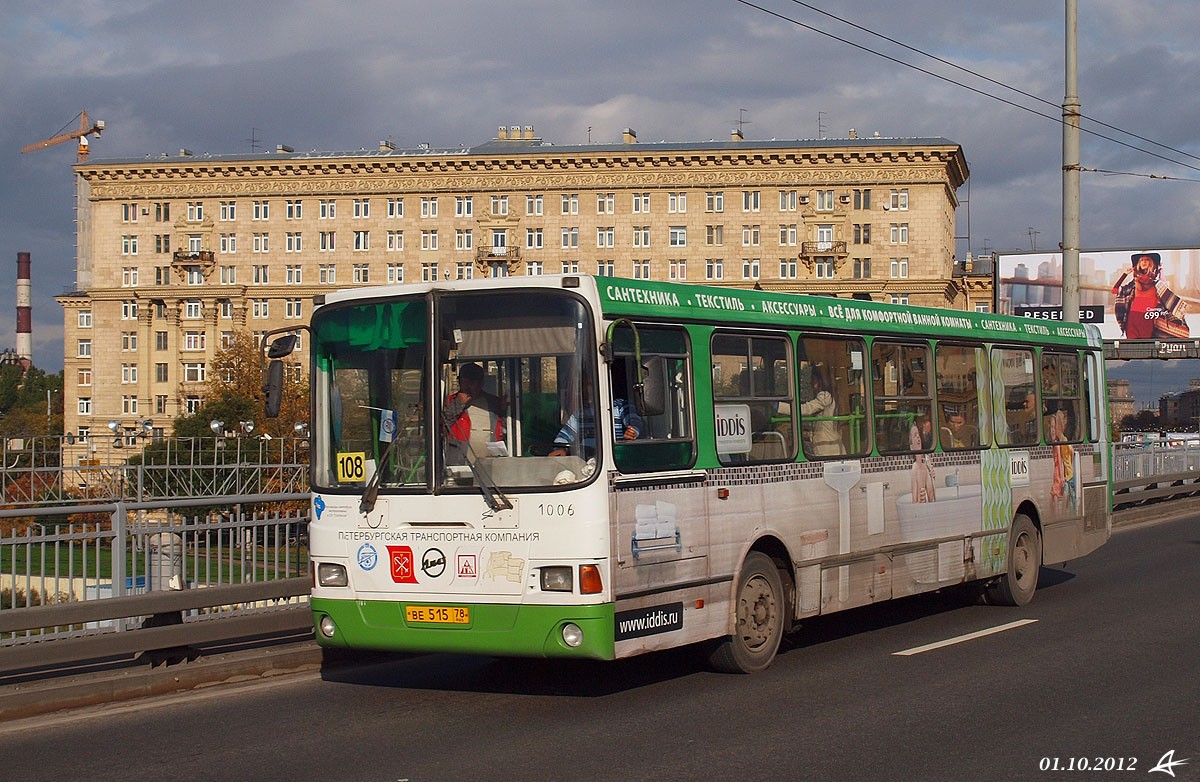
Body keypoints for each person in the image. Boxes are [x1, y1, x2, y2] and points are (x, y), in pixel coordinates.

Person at [549, 371, 642, 458]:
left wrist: (633, 431)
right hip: (589, 465)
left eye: (590, 384)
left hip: (616, 459)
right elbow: (564, 436)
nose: (586, 389)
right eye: (582, 386)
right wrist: (560, 448)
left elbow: (635, 421)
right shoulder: (580, 413)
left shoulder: (620, 406)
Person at [1112, 252, 1189, 339]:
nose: (1144, 262)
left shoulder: (1158, 284)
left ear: (1151, 263)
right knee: (1134, 349)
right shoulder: (1131, 286)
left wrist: (1160, 270)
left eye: (1147, 260)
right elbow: (1115, 290)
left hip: (1150, 320)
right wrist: (1125, 274)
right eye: (1141, 260)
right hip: (1133, 320)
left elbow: (1166, 292)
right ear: (1138, 264)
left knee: (1149, 347)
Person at [443, 362, 503, 464]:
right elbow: (442, 425)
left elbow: (506, 427)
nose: (468, 386)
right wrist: (458, 404)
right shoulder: (450, 402)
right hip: (460, 463)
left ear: (481, 383)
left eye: (472, 382)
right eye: (464, 382)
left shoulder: (494, 402)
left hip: (490, 463)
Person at [800, 367, 843, 456]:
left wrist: (779, 406)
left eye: (813, 379)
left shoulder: (825, 396)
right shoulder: (832, 395)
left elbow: (806, 409)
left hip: (826, 446)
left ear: (819, 380)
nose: (810, 382)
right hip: (833, 443)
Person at [909, 413, 936, 503]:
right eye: (915, 435)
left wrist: (932, 479)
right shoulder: (915, 468)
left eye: (918, 435)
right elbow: (914, 501)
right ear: (911, 446)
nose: (918, 437)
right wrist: (921, 499)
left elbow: (932, 497)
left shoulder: (924, 467)